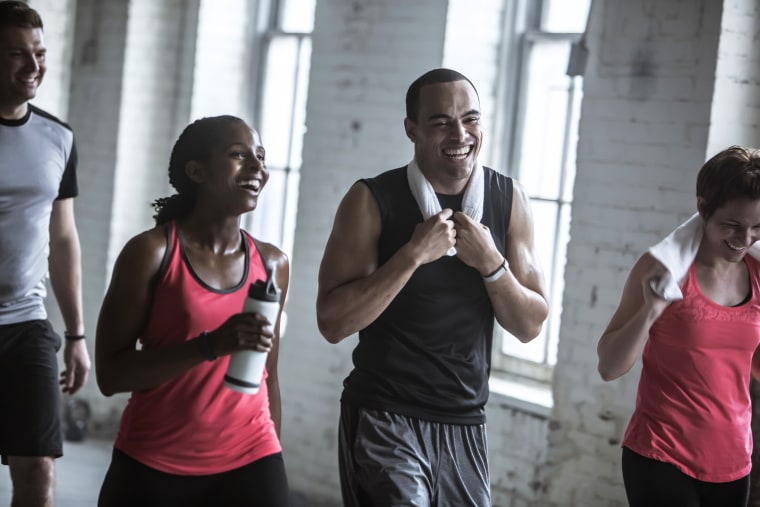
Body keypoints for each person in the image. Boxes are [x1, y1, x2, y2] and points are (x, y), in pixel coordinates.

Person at [316, 68, 549, 506]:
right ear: (412, 129)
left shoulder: (508, 199)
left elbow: (530, 324)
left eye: (471, 119)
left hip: (465, 421)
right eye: (441, 121)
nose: (459, 133)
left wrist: (491, 264)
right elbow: (332, 322)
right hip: (385, 414)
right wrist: (411, 255)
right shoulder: (370, 200)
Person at [95, 115, 290, 506]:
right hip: (155, 462)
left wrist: (273, 458)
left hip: (251, 455)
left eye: (261, 157)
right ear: (196, 171)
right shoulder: (151, 253)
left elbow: (268, 377)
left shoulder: (272, 264)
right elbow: (110, 375)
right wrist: (209, 346)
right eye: (239, 155)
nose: (257, 167)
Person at [597, 146, 760, 507]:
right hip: (660, 456)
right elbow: (609, 366)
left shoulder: (757, 273)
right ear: (703, 208)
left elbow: (748, 363)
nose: (744, 239)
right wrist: (650, 311)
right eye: (732, 226)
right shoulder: (663, 270)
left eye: (757, 228)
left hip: (734, 462)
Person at [0, 2, 90, 505]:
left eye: (39, 52)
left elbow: (63, 239)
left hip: (26, 325)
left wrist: (76, 333)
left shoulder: (58, 137)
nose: (33, 66)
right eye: (16, 54)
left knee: (37, 471)